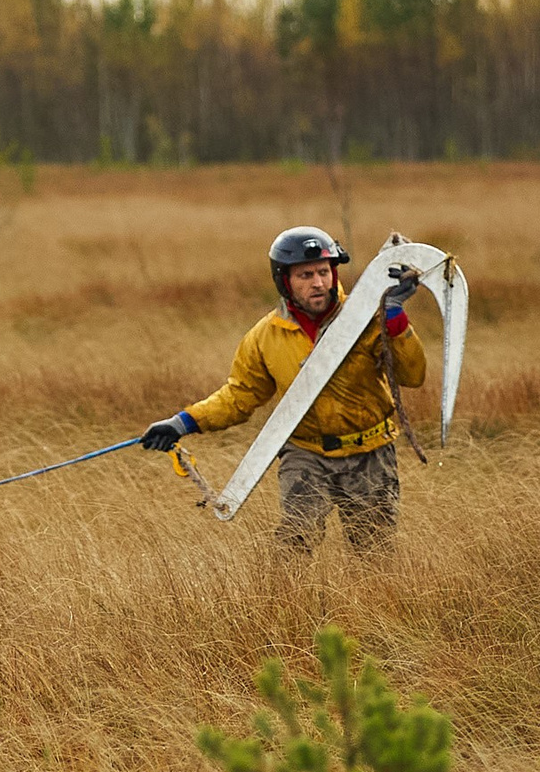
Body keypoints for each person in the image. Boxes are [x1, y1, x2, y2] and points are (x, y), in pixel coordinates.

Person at [140, 225, 424, 550]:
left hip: (369, 452)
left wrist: (395, 316)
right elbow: (238, 397)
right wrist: (181, 423)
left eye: (323, 272)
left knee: (374, 552)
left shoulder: (368, 319)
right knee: (295, 542)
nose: (318, 283)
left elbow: (413, 375)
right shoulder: (265, 337)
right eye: (305, 275)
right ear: (284, 281)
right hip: (306, 453)